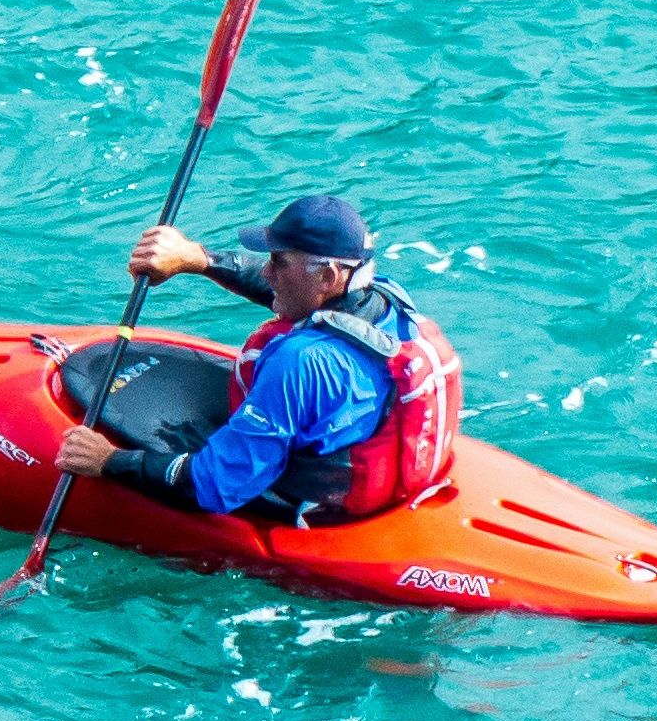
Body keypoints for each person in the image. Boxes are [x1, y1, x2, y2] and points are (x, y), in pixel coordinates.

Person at [50, 190, 467, 526]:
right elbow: (293, 296)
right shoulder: (386, 302)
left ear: (327, 276)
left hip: (309, 508)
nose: (266, 272)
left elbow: (216, 487)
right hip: (384, 480)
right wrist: (198, 259)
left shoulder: (301, 364)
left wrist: (109, 461)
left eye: (279, 262)